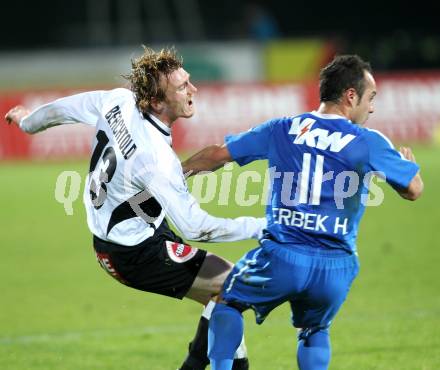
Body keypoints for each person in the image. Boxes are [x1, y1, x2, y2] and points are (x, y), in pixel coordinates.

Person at [5, 47, 263, 370]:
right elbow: (197, 227)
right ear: (156, 102)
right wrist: (262, 227)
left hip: (127, 223)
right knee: (233, 286)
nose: (193, 90)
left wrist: (28, 123)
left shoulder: (120, 100)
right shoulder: (154, 158)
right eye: (182, 87)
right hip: (135, 252)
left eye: (188, 81)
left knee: (224, 296)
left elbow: (65, 109)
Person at [181, 54, 424, 370]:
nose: (372, 107)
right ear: (351, 95)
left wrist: (179, 170)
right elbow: (413, 190)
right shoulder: (370, 141)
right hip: (336, 269)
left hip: (283, 258)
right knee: (315, 328)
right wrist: (408, 167)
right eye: (371, 97)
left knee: (227, 301)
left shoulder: (283, 128)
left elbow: (218, 155)